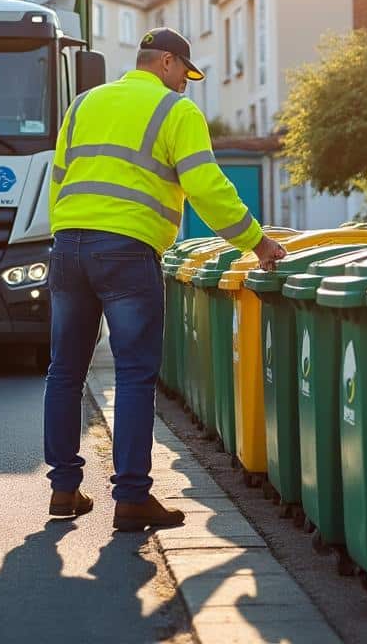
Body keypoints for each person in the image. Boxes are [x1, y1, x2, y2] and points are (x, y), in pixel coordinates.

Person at [45, 27, 286, 528]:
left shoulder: (84, 104)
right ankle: (131, 499)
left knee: (64, 372)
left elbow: (59, 177)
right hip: (126, 250)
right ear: (168, 63)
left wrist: (66, 234)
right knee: (135, 373)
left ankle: (64, 490)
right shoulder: (175, 111)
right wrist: (257, 242)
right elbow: (207, 186)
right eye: (184, 74)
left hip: (68, 244)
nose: (185, 85)